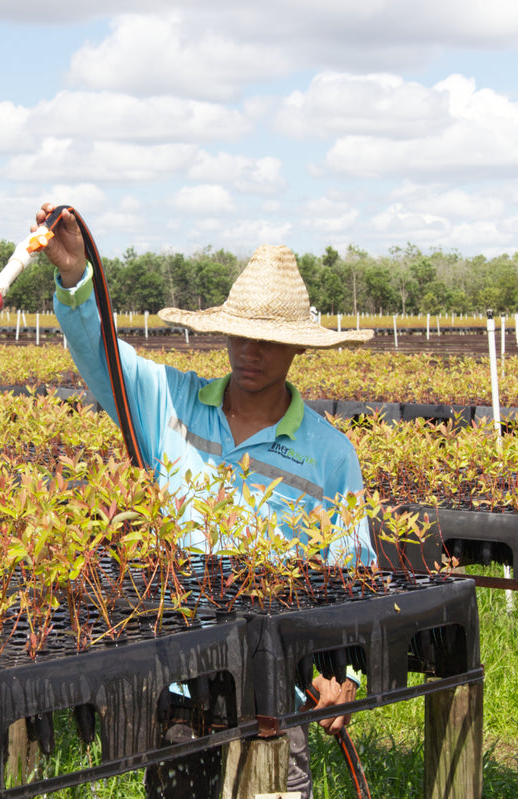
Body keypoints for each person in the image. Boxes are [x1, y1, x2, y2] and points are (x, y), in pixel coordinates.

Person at [37, 202, 376, 798]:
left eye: (269, 341)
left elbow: (350, 575)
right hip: (181, 676)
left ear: (297, 349)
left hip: (280, 688)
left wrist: (342, 675)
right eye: (241, 334)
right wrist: (74, 277)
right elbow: (102, 356)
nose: (250, 351)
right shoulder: (171, 401)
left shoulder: (329, 454)